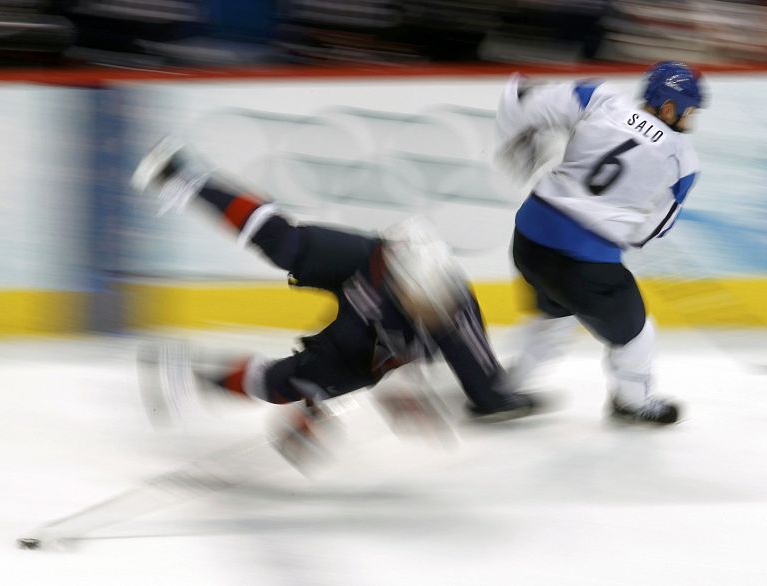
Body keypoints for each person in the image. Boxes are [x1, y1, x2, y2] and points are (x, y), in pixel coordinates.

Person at [131, 137, 537, 462]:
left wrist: (316, 409)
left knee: (284, 385)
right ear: (397, 275)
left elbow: (487, 396)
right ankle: (187, 178)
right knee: (282, 242)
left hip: (360, 339)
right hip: (356, 268)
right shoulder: (380, 261)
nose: (428, 312)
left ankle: (192, 376)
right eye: (416, 301)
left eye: (433, 311)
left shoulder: (458, 324)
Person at [493, 61, 705, 425]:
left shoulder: (602, 97)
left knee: (554, 313)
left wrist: (518, 137)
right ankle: (632, 402)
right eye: (690, 111)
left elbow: (520, 98)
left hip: (530, 237)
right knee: (638, 335)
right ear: (669, 107)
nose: (692, 120)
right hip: (585, 262)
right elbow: (655, 227)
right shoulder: (683, 159)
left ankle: (500, 389)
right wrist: (618, 234)